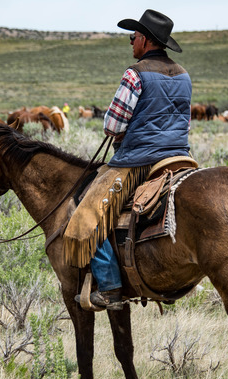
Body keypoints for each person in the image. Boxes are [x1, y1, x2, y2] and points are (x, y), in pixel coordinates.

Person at [63, 9, 191, 310]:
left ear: (145, 40)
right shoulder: (184, 74)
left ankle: (108, 286)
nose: (130, 42)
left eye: (132, 37)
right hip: (179, 158)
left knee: (87, 213)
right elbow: (183, 123)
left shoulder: (135, 73)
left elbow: (113, 126)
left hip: (138, 160)